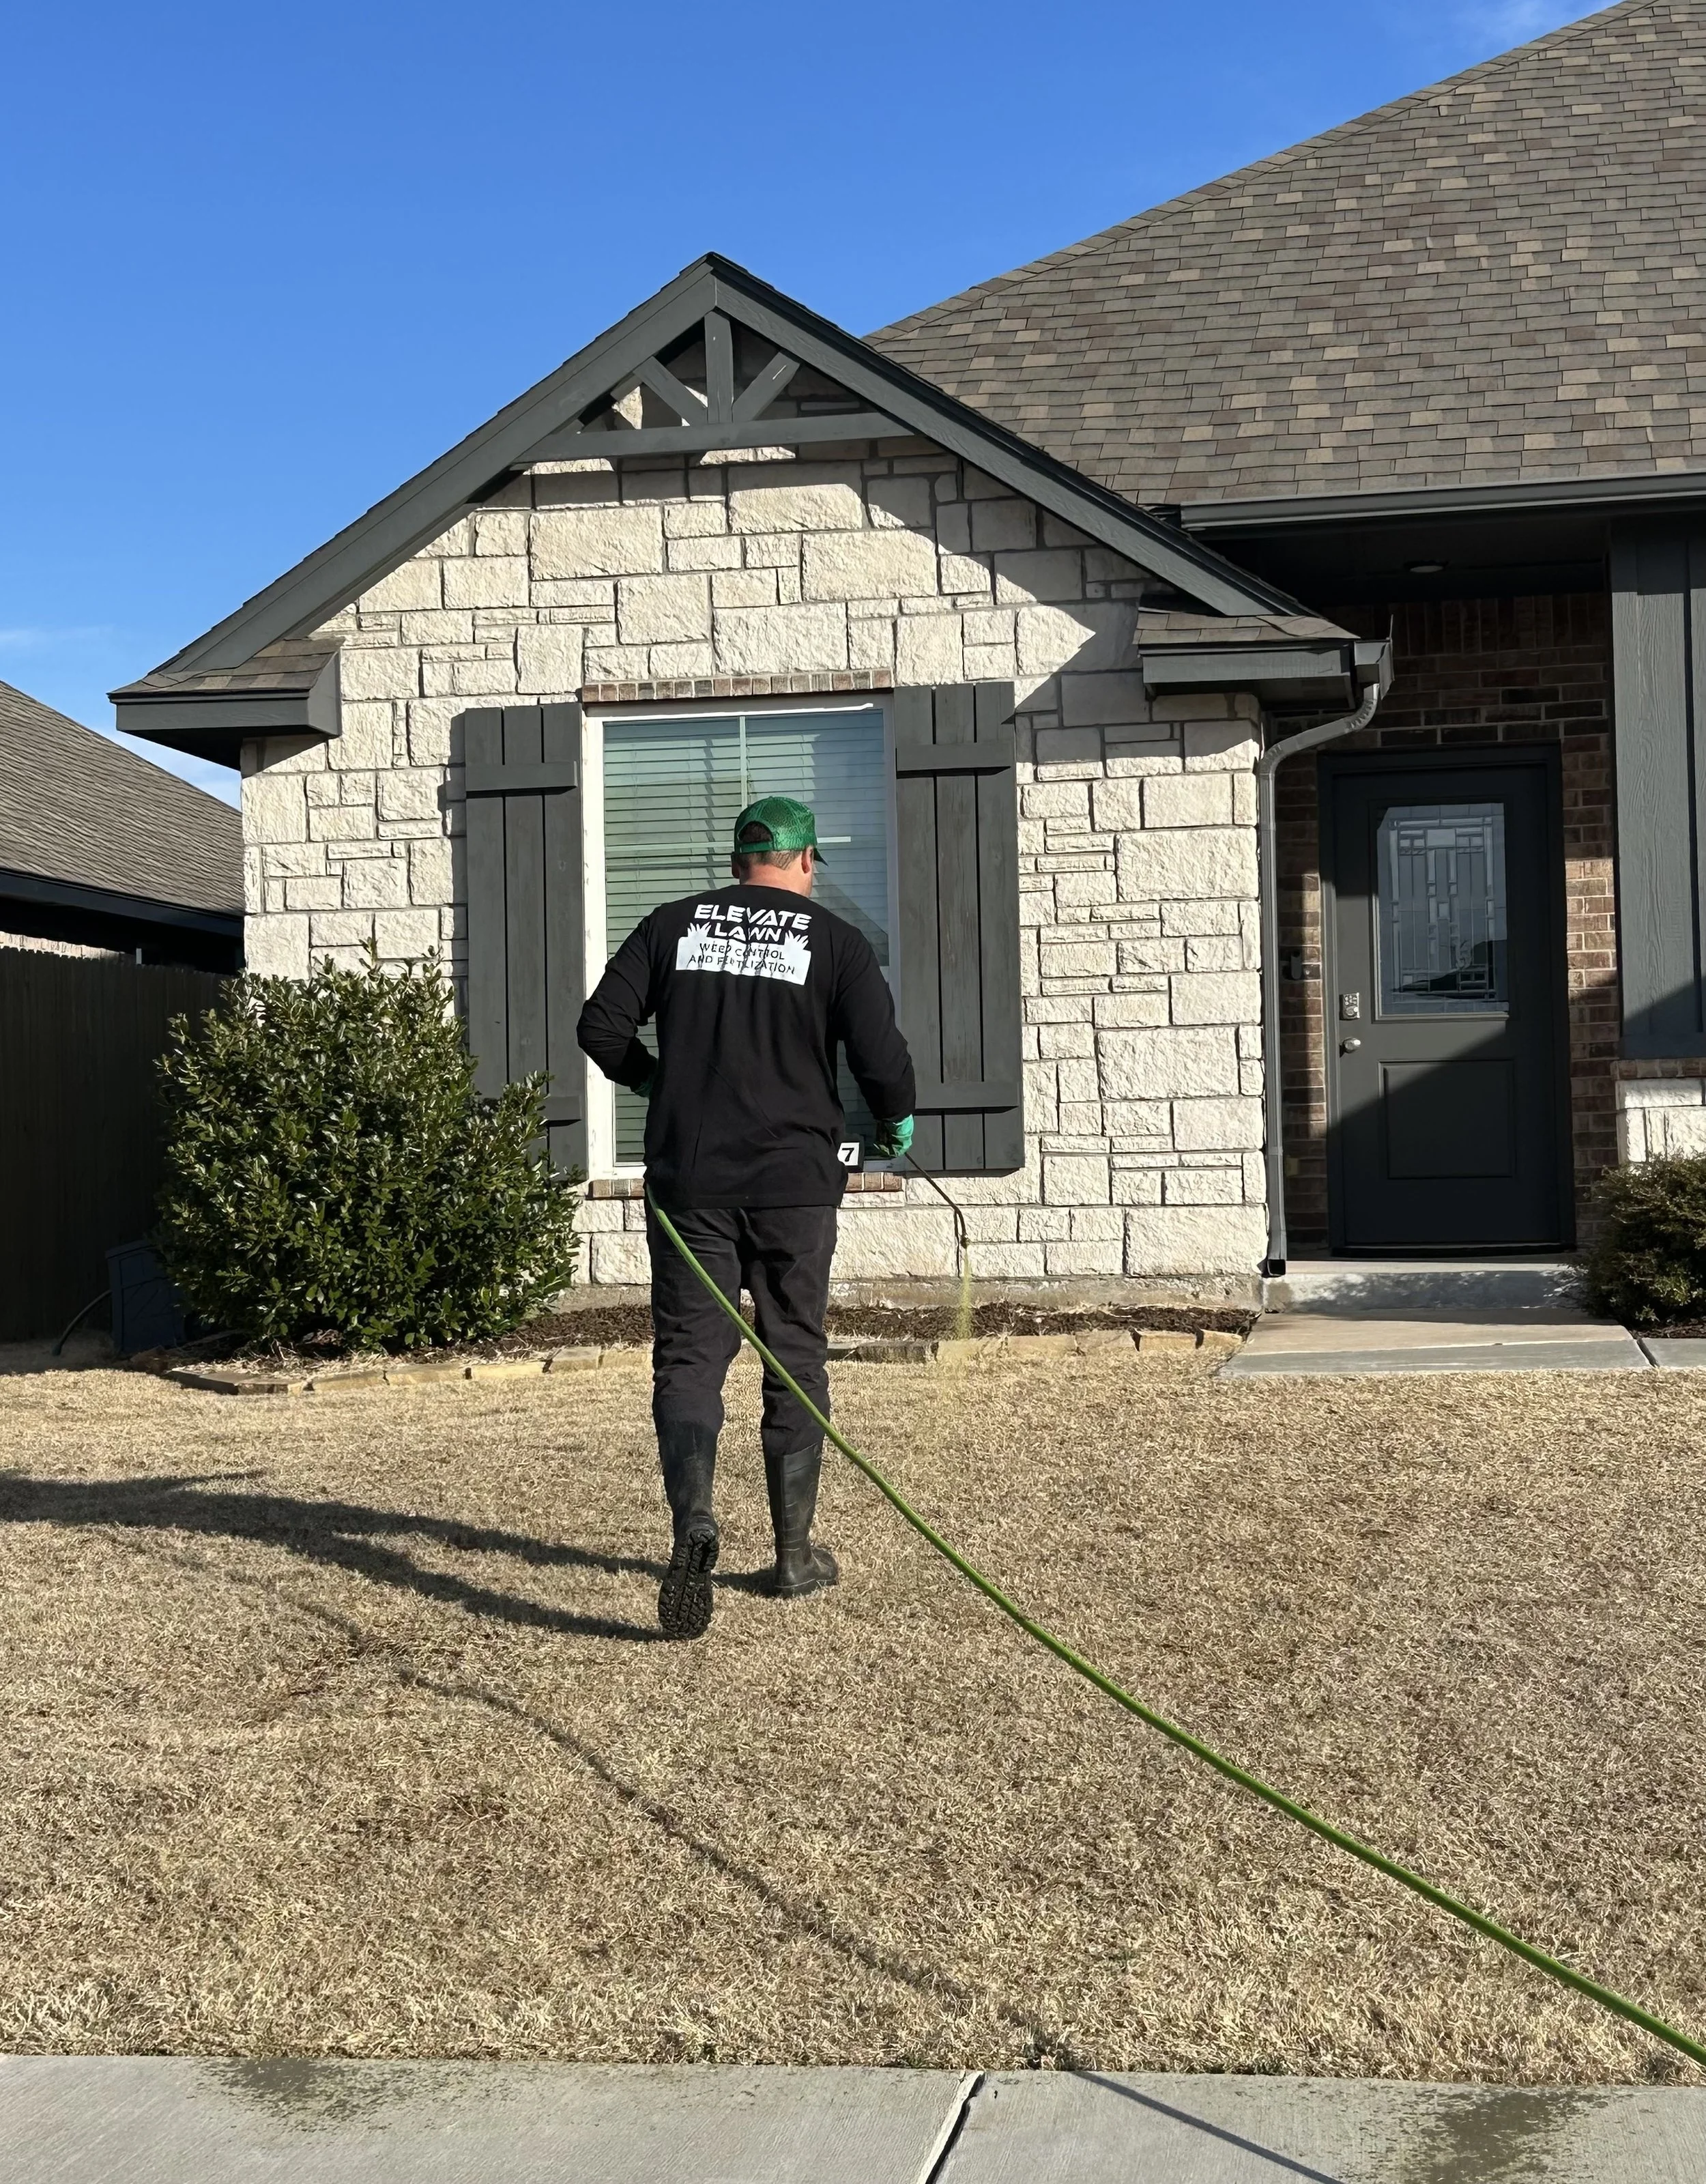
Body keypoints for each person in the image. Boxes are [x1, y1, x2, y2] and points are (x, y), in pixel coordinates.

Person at [577, 795, 916, 1641]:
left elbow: (599, 1025)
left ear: (738, 862)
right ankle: (793, 1557)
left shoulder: (669, 926)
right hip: (795, 1184)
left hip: (691, 1181)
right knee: (793, 1350)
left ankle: (693, 1524)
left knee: (690, 1356)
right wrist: (894, 1120)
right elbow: (883, 1061)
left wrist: (650, 1078)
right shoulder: (833, 942)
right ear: (805, 862)